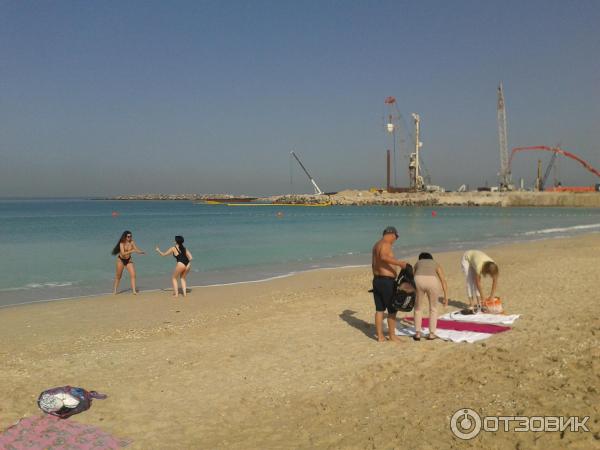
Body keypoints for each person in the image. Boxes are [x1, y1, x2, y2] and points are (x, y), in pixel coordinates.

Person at [371, 226, 408, 342]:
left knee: (380, 309)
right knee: (392, 309)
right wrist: (399, 263)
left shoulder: (376, 245)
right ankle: (392, 336)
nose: (395, 240)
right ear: (392, 234)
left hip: (377, 280)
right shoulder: (386, 244)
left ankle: (380, 336)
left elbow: (375, 263)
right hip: (386, 281)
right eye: (396, 237)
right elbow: (383, 257)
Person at [413, 252, 449, 341]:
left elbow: (412, 276)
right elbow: (443, 280)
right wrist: (446, 296)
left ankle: (417, 333)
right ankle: (432, 334)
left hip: (418, 280)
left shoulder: (418, 263)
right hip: (432, 281)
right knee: (433, 308)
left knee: (418, 308)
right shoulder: (435, 263)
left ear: (420, 258)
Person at [111, 230, 145, 295]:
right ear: (125, 237)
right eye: (128, 236)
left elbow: (136, 249)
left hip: (129, 260)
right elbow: (123, 253)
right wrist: (132, 251)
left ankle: (134, 291)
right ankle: (115, 290)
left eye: (131, 236)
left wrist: (141, 252)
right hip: (121, 260)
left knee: (133, 275)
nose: (130, 237)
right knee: (118, 276)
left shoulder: (132, 242)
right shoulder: (121, 243)